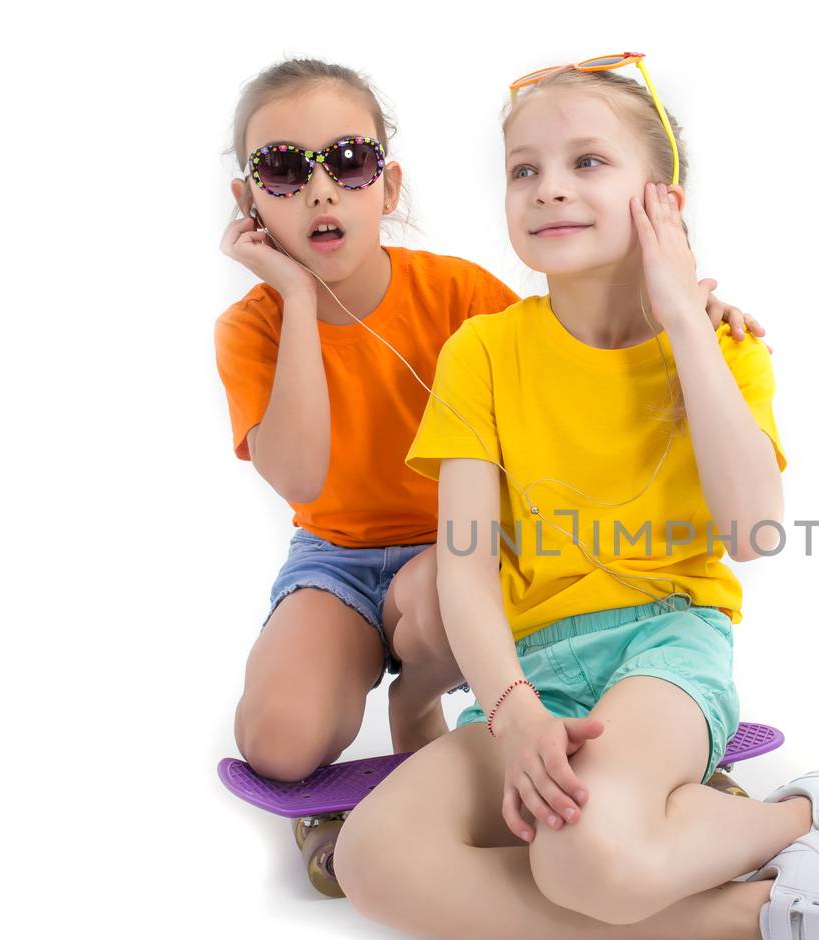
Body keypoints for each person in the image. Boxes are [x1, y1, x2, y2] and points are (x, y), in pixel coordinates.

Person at [334, 55, 819, 940]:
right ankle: (758, 913)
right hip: (526, 669)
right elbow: (465, 568)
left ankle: (805, 816)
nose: (548, 185)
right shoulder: (482, 351)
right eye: (523, 169)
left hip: (661, 646)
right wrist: (514, 716)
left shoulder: (722, 346)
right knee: (374, 860)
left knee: (578, 855)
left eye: (587, 162)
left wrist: (683, 315)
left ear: (661, 201)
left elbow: (754, 533)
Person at [215, 58, 762, 784]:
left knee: (446, 589)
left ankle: (418, 700)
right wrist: (297, 299)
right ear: (248, 198)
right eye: (283, 168)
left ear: (389, 185)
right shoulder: (250, 328)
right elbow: (300, 475)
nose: (320, 189)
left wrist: (691, 313)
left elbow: (581, 341)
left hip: (462, 546)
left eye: (349, 161)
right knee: (279, 742)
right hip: (338, 558)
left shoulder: (463, 297)